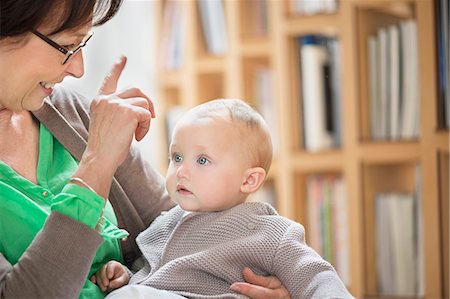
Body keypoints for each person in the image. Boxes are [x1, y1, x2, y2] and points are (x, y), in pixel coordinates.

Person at [0, 1, 291, 298]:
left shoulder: (71, 113)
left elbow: (181, 232)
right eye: (66, 46)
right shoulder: (95, 137)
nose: (78, 68)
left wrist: (256, 281)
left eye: (82, 45)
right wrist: (97, 162)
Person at [91, 99, 353, 299]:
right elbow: (147, 272)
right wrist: (123, 275)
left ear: (248, 180)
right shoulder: (165, 223)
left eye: (202, 160)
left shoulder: (269, 232)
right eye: (177, 157)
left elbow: (317, 277)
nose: (181, 170)